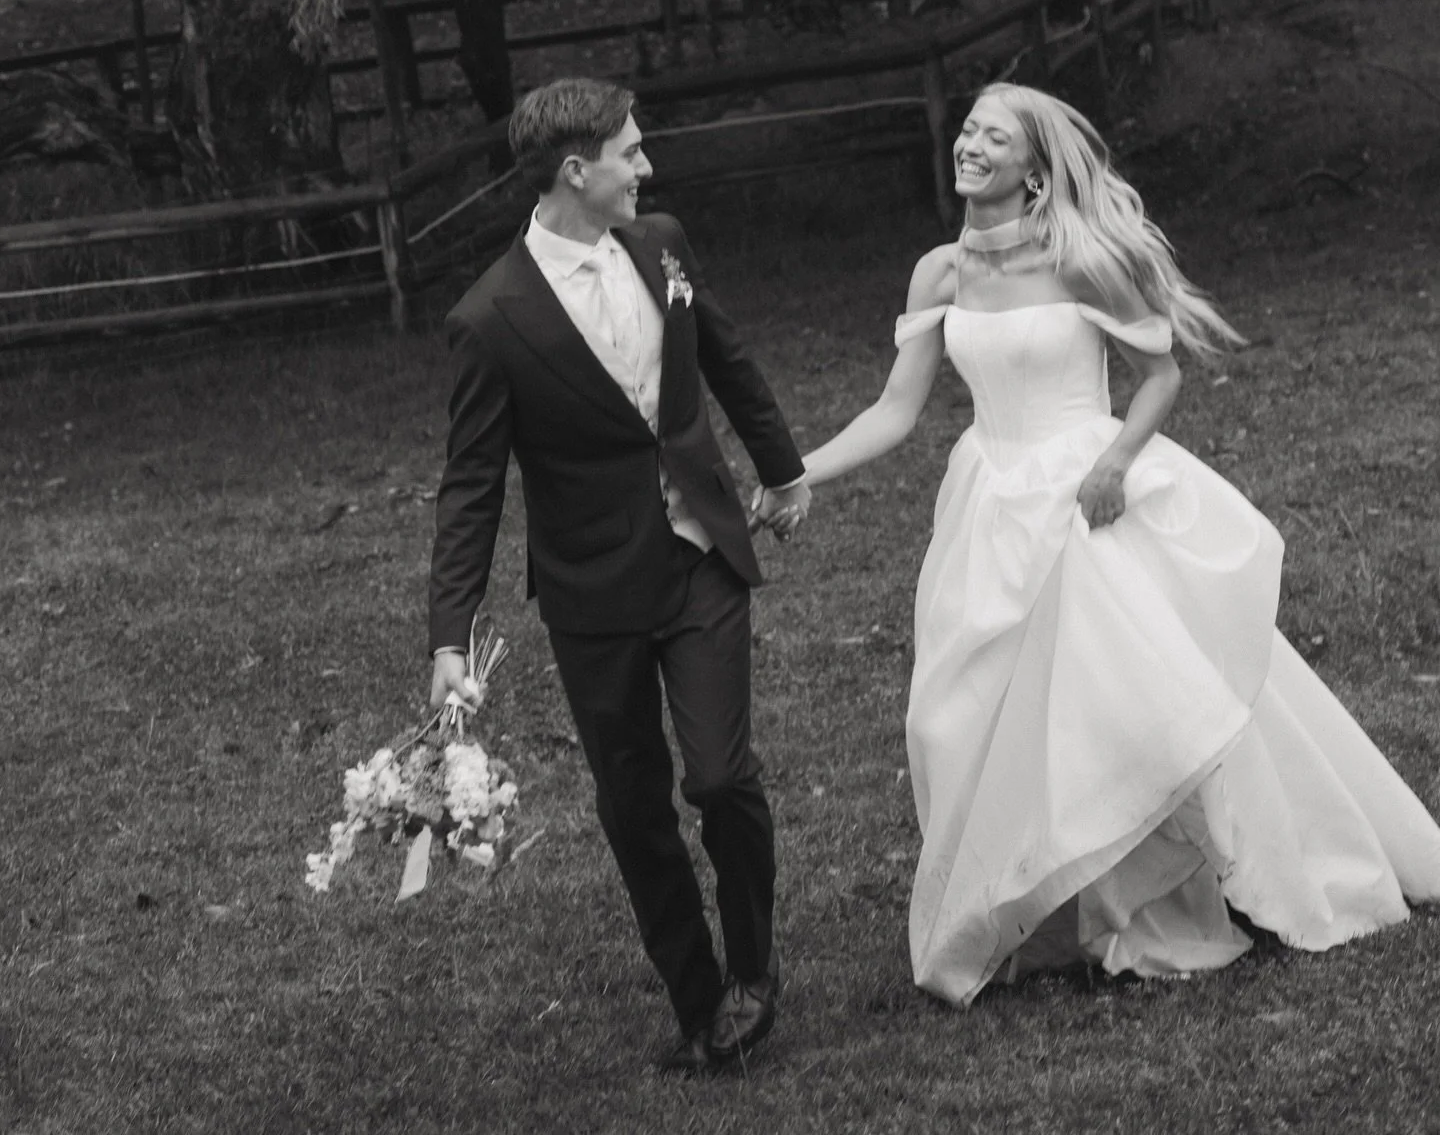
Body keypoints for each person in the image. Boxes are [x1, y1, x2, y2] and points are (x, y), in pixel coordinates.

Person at [791, 81, 1440, 1003]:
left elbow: (1160, 372)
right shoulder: (938, 272)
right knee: (966, 716)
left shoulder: (1082, 261)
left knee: (1132, 705)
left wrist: (1118, 463)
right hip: (989, 505)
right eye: (968, 128)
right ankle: (1028, 910)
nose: (970, 144)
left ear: (1034, 168)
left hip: (1084, 497)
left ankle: (1182, 895)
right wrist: (800, 473)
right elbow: (898, 410)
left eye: (993, 136)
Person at [429, 78, 811, 1072]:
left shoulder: (663, 243)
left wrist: (781, 467)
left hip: (701, 560)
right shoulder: (491, 318)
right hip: (592, 594)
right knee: (634, 802)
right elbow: (470, 488)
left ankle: (754, 970)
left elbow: (721, 354)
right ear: (575, 172)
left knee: (722, 778)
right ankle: (698, 1003)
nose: (648, 168)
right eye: (630, 154)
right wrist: (448, 638)